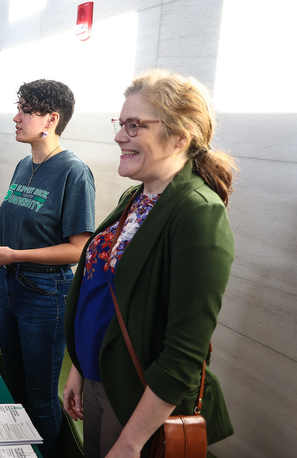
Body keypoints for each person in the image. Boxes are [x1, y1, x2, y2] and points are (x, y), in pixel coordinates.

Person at [62, 69, 236, 457]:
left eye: (135, 125)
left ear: (179, 137)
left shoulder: (197, 213)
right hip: (96, 377)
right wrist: (78, 367)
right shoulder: (134, 197)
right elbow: (104, 294)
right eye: (121, 124)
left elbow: (184, 353)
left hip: (136, 399)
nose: (119, 135)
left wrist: (130, 442)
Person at [0, 79, 96, 458]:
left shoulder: (74, 172)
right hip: (9, 291)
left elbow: (78, 249)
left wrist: (17, 256)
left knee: (41, 399)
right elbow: (3, 220)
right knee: (16, 386)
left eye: (26, 110)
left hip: (45, 298)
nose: (16, 117)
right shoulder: (25, 163)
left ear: (51, 119)